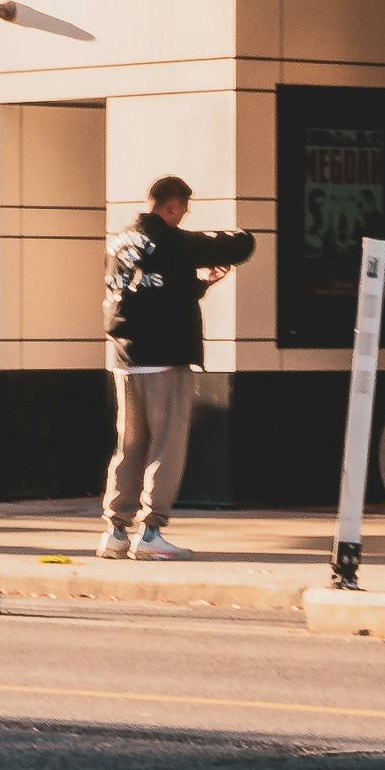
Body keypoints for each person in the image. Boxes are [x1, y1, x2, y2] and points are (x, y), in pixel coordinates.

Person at [100, 173, 253, 558]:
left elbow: (157, 288)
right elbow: (233, 246)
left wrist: (202, 283)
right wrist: (244, 237)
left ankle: (115, 532)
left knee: (128, 445)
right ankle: (151, 534)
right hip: (164, 358)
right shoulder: (169, 240)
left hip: (126, 360)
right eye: (181, 211)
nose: (182, 218)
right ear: (171, 206)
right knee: (167, 445)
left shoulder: (121, 241)